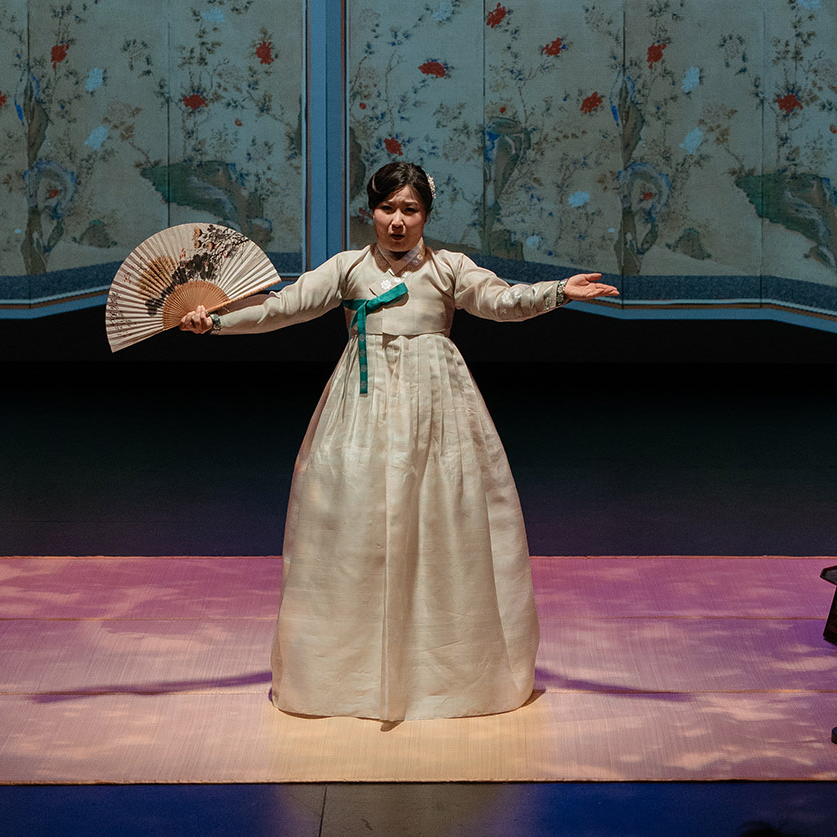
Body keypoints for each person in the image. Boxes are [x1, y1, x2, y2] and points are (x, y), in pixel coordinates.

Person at [179, 161, 619, 722]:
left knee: (442, 520)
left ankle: (441, 672)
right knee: (355, 523)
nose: (397, 221)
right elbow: (281, 306)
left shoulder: (449, 267)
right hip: (361, 407)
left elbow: (501, 301)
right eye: (387, 208)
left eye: (409, 210)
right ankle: (351, 674)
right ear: (371, 211)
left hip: (439, 409)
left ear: (425, 216)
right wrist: (216, 322)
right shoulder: (348, 267)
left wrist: (557, 291)